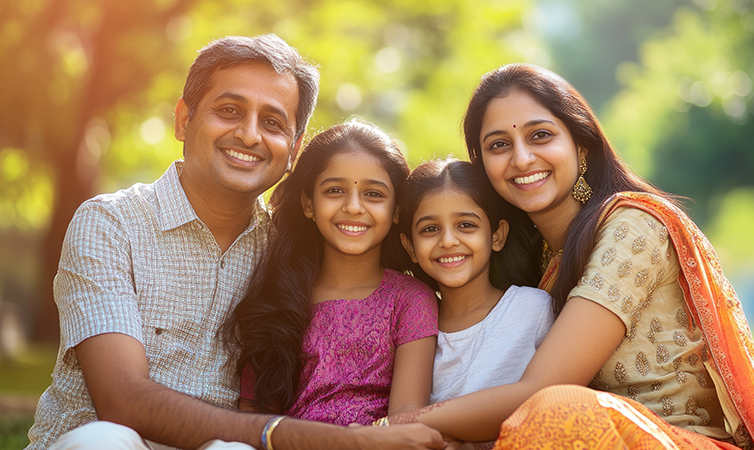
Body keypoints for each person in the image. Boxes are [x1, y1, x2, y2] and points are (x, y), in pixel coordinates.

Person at [26, 35, 444, 450]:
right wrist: (307, 437)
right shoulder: (110, 225)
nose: (249, 135)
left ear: (294, 149)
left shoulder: (286, 251)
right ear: (184, 119)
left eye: (273, 122)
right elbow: (121, 401)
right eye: (229, 111)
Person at [383, 63, 754, 449]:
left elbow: (538, 391)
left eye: (540, 135)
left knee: (557, 411)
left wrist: (401, 427)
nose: (522, 158)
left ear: (581, 145)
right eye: (498, 145)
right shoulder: (541, 260)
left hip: (674, 441)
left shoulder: (631, 226)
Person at [226, 119, 438, 425]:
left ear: (395, 211)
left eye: (374, 194)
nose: (353, 207)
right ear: (308, 203)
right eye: (335, 190)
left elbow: (405, 420)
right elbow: (251, 420)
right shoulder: (276, 296)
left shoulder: (410, 300)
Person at [396, 159, 553, 444]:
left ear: (497, 235)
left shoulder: (533, 308)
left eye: (466, 225)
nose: (448, 241)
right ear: (410, 247)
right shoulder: (410, 328)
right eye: (430, 229)